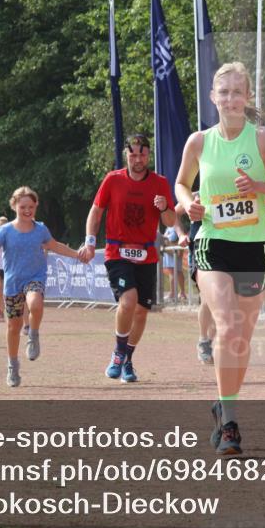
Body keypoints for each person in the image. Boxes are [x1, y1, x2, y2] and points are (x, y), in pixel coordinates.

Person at [175, 61, 265, 455]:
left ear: (247, 98)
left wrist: (260, 185)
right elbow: (181, 183)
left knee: (240, 341)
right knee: (228, 327)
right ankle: (230, 425)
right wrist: (188, 204)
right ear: (213, 98)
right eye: (224, 92)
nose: (230, 99)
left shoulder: (264, 139)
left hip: (254, 248)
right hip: (213, 243)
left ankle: (224, 406)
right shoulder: (199, 141)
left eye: (237, 92)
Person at [78, 134, 177, 384]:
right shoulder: (113, 180)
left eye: (142, 154)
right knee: (128, 300)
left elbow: (170, 222)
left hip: (146, 253)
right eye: (133, 154)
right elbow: (96, 211)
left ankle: (128, 359)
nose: (138, 159)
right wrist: (90, 241)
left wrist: (165, 206)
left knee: (142, 312)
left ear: (148, 155)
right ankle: (118, 353)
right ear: (127, 155)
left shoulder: (160, 183)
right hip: (117, 251)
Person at [0, 186, 79, 387]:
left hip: (35, 277)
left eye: (31, 206)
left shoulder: (41, 229)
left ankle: (33, 335)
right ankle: (13, 366)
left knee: (35, 304)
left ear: (36, 206)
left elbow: (55, 246)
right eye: (23, 206)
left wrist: (77, 255)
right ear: (14, 206)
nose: (27, 210)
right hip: (13, 283)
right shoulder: (5, 231)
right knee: (13, 327)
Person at [178, 193, 217, 364]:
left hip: (227, 246)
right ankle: (203, 340)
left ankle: (211, 340)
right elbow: (173, 214)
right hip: (201, 248)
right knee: (209, 296)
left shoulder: (230, 191)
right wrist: (180, 234)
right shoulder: (195, 195)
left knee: (225, 300)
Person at [0, 216, 28, 330]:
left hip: (8, 268)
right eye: (0, 224)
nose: (2, 226)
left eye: (4, 224)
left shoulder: (10, 236)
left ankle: (12, 312)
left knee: (9, 292)